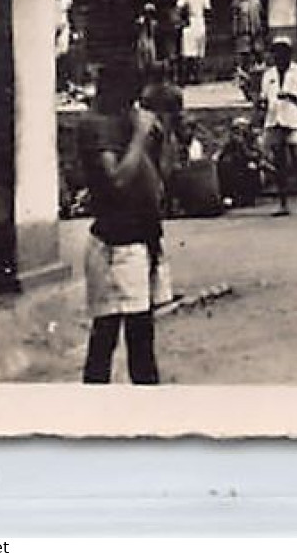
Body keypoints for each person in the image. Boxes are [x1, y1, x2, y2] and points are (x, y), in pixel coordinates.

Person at [77, 63, 167, 384]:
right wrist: (140, 136)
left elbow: (154, 183)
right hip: (116, 246)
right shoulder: (95, 127)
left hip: (139, 240)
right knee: (113, 335)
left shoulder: (124, 126)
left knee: (140, 337)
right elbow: (116, 181)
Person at [260, 37, 297, 217]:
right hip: (274, 121)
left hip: (293, 122)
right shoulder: (268, 75)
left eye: (282, 52)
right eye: (275, 52)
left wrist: (290, 97)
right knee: (279, 165)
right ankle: (283, 203)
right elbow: (264, 98)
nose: (278, 56)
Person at [215, 116, 267, 210]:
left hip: (249, 162)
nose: (240, 130)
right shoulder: (230, 140)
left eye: (242, 127)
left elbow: (258, 153)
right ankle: (229, 197)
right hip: (234, 164)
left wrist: (245, 149)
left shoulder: (254, 139)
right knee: (225, 167)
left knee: (251, 169)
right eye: (237, 128)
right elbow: (221, 151)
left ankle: (249, 197)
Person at [230, 0, 266, 72]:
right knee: (244, 53)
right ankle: (244, 70)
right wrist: (234, 31)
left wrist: (262, 28)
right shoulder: (237, 3)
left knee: (258, 51)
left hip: (256, 31)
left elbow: (262, 15)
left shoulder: (256, 2)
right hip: (243, 31)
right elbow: (234, 18)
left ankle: (259, 68)